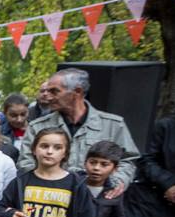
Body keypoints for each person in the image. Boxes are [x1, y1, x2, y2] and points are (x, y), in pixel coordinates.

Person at [21, 69, 139, 199]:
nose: (48, 96)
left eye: (54, 91)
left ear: (77, 92)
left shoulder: (113, 125)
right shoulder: (38, 127)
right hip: (52, 200)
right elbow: (26, 164)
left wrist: (117, 182)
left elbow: (128, 159)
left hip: (97, 199)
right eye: (47, 91)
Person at [0, 94, 31, 166]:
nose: (19, 120)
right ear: (5, 113)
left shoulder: (36, 130)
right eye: (13, 115)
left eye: (23, 114)